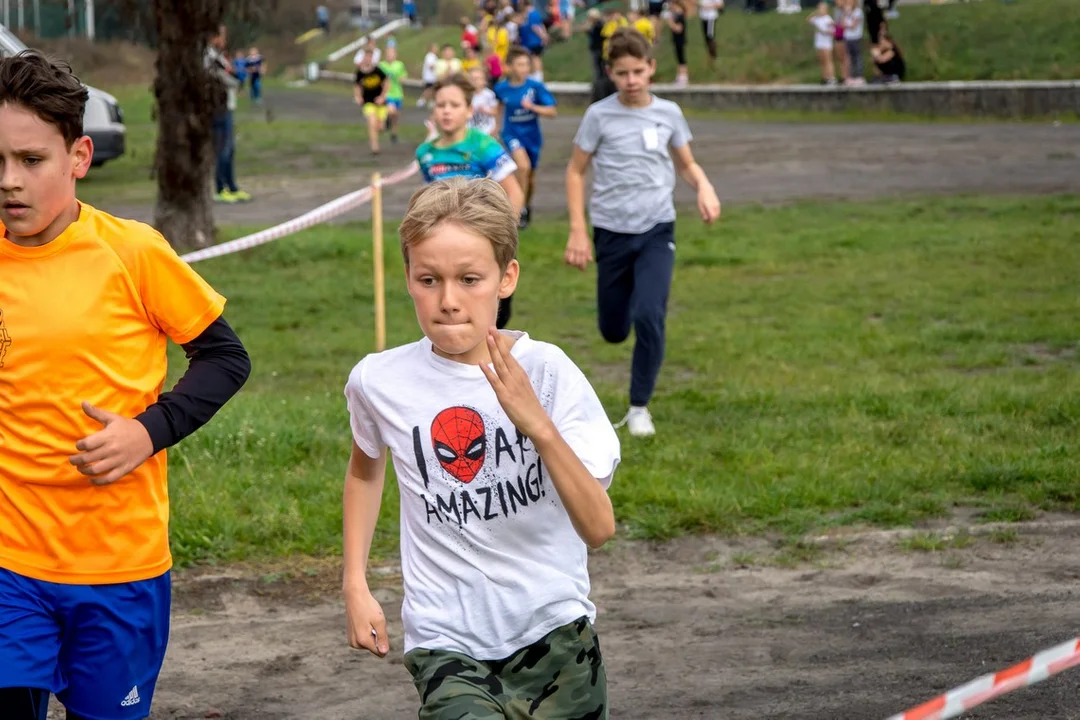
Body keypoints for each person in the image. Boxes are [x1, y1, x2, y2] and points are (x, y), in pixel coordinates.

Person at [0, 50, 250, 720]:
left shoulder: (132, 252)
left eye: (30, 160)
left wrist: (147, 431)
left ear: (79, 156)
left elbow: (226, 358)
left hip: (118, 567)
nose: (9, 181)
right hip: (9, 562)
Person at [342, 177, 619, 720]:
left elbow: (599, 527)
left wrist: (537, 425)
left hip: (555, 631)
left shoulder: (547, 373)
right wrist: (355, 583)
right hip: (445, 638)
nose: (448, 301)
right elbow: (364, 471)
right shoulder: (379, 382)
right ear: (408, 278)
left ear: (506, 277)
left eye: (470, 279)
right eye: (429, 279)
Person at [564, 29, 721, 438]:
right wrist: (578, 231)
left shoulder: (668, 113)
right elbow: (576, 171)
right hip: (611, 231)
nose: (631, 80)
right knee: (614, 331)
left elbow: (686, 163)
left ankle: (638, 408)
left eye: (638, 71)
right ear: (610, 73)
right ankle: (631, 298)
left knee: (651, 315)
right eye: (622, 73)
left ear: (652, 68)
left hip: (657, 227)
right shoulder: (598, 115)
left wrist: (703, 186)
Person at [416, 73, 525, 329]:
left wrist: (504, 235)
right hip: (442, 245)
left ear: (468, 110)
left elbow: (514, 191)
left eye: (454, 105)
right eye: (441, 105)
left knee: (492, 318)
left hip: (483, 240)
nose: (446, 112)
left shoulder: (483, 145)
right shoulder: (425, 153)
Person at [495, 46, 557, 230]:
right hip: (512, 133)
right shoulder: (501, 88)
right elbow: (498, 108)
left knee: (530, 177)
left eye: (526, 65)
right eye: (520, 64)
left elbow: (552, 111)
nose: (524, 69)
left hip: (532, 135)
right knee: (523, 167)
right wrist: (496, 128)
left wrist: (533, 107)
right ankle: (518, 209)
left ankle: (526, 205)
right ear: (510, 67)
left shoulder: (535, 87)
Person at [206, 25, 251, 204]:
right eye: (222, 36)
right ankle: (220, 187)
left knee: (230, 149)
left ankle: (232, 186)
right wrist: (237, 79)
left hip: (228, 107)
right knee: (222, 149)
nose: (224, 41)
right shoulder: (209, 57)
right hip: (218, 109)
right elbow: (224, 77)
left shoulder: (218, 56)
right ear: (213, 37)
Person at [354, 51, 389, 155]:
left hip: (380, 103)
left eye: (370, 57)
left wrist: (382, 96)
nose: (367, 59)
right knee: (372, 121)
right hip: (368, 102)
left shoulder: (378, 70)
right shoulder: (360, 72)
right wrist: (358, 97)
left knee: (380, 127)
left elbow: (387, 82)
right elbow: (357, 85)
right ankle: (375, 148)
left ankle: (384, 125)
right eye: (366, 57)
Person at [379, 46, 407, 144]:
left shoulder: (399, 65)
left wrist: (401, 78)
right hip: (387, 93)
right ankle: (387, 121)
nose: (390, 56)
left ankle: (394, 134)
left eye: (392, 53)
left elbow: (403, 76)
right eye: (388, 54)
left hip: (397, 93)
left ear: (395, 55)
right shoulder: (381, 65)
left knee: (396, 116)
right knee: (391, 111)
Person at [518, 1, 549, 81]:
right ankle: (534, 74)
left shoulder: (531, 14)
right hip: (530, 41)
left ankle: (538, 76)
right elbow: (541, 25)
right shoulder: (532, 14)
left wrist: (543, 36)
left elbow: (535, 27)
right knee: (533, 58)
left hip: (533, 40)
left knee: (535, 58)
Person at [809, 2, 837, 85]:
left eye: (822, 8)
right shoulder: (817, 18)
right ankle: (825, 77)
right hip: (819, 42)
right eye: (819, 8)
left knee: (828, 60)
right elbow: (808, 19)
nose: (821, 10)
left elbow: (833, 31)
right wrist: (815, 12)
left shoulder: (828, 19)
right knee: (822, 61)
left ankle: (832, 77)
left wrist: (826, 32)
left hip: (826, 42)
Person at [468, 65, 499, 136]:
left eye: (478, 78)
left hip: (487, 129)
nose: (475, 81)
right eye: (472, 79)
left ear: (484, 81)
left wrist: (486, 110)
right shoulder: (466, 95)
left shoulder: (489, 94)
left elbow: (496, 112)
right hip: (471, 130)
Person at [667, 0, 689, 86]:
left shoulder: (680, 16)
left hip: (680, 39)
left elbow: (678, 29)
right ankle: (680, 76)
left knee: (681, 57)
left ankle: (683, 77)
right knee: (678, 57)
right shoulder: (675, 15)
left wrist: (670, 22)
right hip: (676, 40)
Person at [699, 0, 722, 70]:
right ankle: (710, 56)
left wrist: (709, 6)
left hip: (710, 17)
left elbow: (720, 5)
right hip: (703, 17)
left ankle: (714, 56)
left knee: (710, 36)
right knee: (706, 38)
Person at [419, 43, 439, 107]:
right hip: (429, 77)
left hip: (432, 77)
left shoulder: (433, 56)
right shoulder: (430, 56)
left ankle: (430, 101)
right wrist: (437, 68)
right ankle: (422, 101)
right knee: (428, 89)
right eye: (435, 48)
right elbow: (430, 65)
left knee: (432, 89)